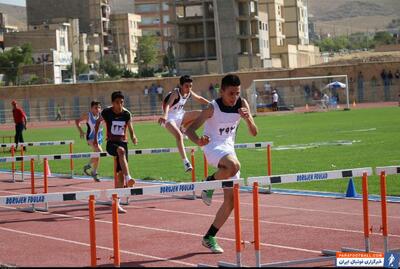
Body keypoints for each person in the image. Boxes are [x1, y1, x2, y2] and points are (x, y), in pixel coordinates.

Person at [186, 74, 258, 253]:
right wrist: (198, 141)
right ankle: (209, 182)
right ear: (222, 91)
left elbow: (254, 133)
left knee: (231, 201)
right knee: (234, 166)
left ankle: (209, 236)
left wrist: (248, 118)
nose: (234, 98)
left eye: (237, 93)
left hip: (228, 149)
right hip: (212, 146)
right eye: (231, 94)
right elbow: (190, 130)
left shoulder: (242, 105)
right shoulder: (212, 107)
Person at [94, 91, 138, 213]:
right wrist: (95, 140)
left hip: (123, 142)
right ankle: (128, 177)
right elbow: (98, 122)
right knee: (120, 151)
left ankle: (116, 203)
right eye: (117, 102)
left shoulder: (126, 114)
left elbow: (130, 127)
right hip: (111, 144)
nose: (120, 105)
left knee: (119, 176)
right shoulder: (107, 112)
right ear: (113, 103)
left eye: (122, 102)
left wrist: (133, 136)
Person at [158, 75, 209, 172]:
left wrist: (212, 104)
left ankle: (185, 129)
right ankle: (186, 162)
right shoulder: (175, 93)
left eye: (190, 86)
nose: (189, 88)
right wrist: (165, 115)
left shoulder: (188, 92)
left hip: (180, 115)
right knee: (179, 136)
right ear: (181, 85)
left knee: (201, 113)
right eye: (187, 86)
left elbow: (199, 98)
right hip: (169, 117)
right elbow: (168, 104)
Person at [75, 101, 104, 182]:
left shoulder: (102, 115)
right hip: (91, 138)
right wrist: (80, 131)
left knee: (97, 156)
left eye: (99, 107)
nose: (98, 109)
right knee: (100, 152)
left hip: (99, 138)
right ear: (91, 109)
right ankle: (91, 169)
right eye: (96, 108)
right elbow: (77, 121)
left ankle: (93, 171)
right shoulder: (88, 115)